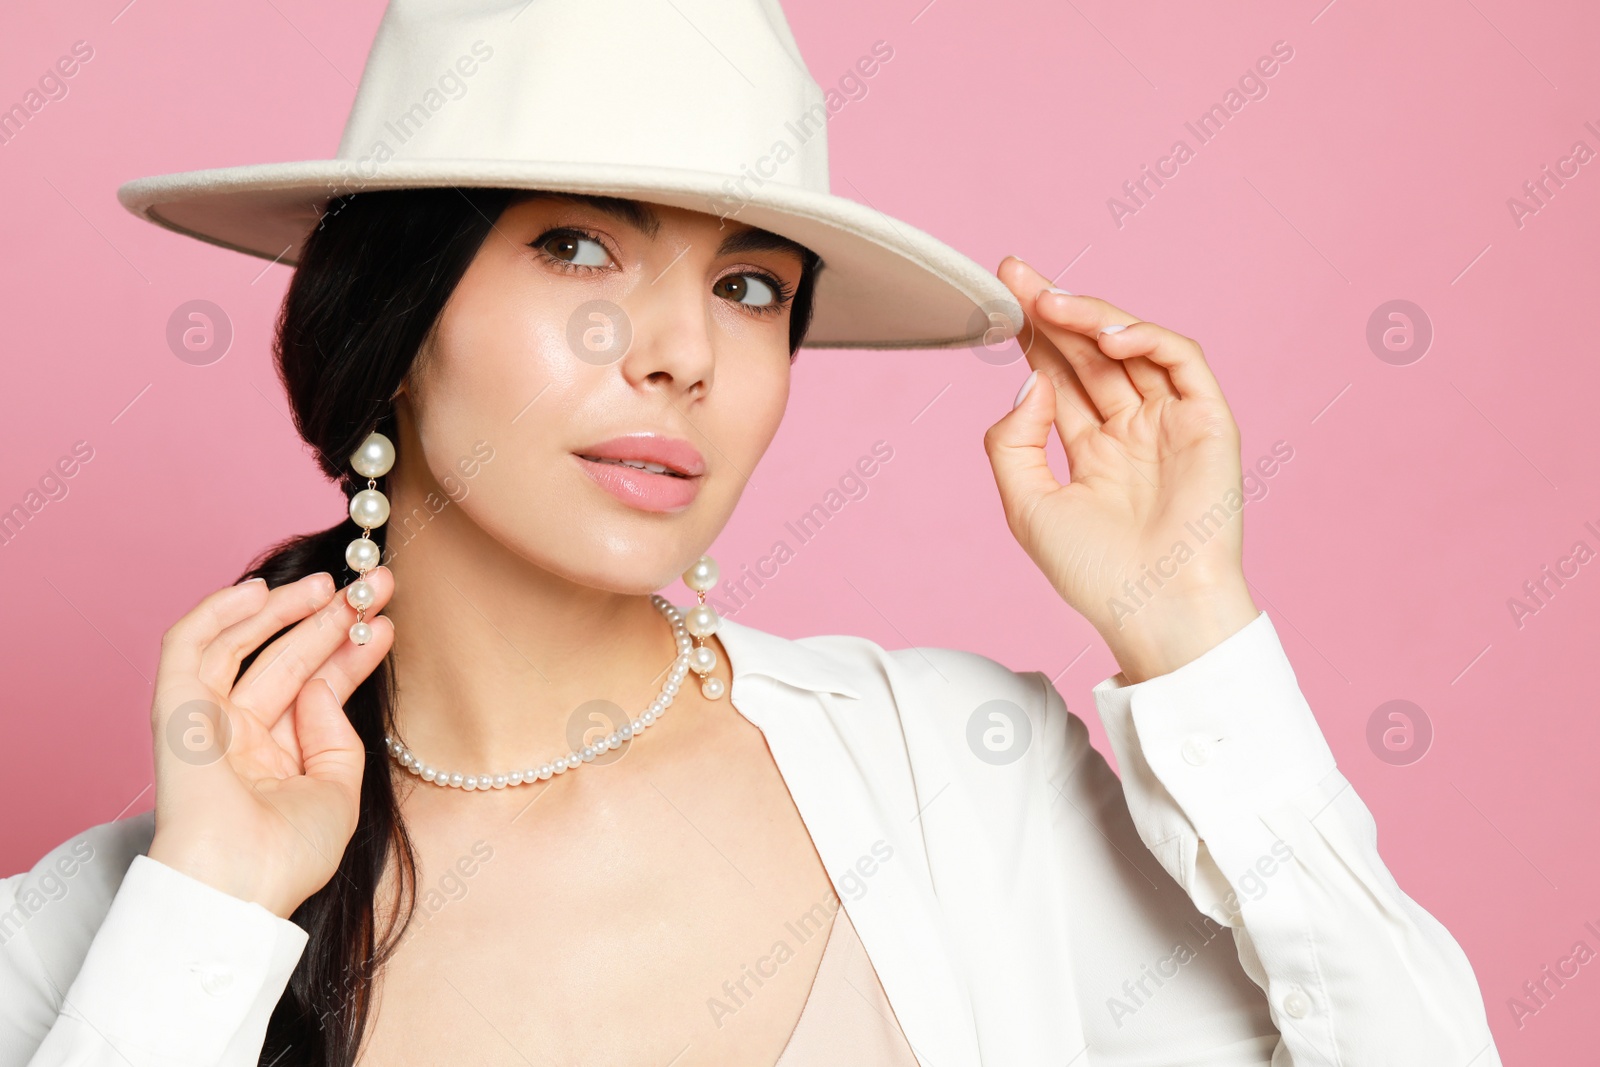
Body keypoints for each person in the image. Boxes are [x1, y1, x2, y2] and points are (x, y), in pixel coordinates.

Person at [1, 1, 1503, 1065]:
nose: (684, 356)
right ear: (396, 316)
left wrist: (1191, 635)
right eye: (578, 244)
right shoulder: (99, 927)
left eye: (750, 286)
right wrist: (204, 922)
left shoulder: (956, 781)